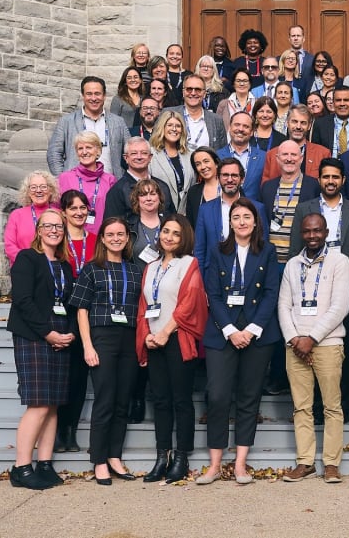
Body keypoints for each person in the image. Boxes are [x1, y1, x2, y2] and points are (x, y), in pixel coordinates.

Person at [199, 198, 281, 485]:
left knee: (249, 398)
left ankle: (241, 464)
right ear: (230, 222)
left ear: (256, 221)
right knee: (219, 397)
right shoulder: (217, 251)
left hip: (258, 336)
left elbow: (271, 292)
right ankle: (214, 465)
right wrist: (232, 330)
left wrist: (252, 329)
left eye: (247, 216)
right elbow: (213, 294)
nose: (242, 221)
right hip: (223, 334)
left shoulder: (267, 251)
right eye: (237, 217)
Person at [288, 158, 349, 416]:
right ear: (319, 179)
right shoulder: (305, 209)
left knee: (343, 347)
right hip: (310, 288)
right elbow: (294, 248)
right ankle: (313, 405)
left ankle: (343, 404)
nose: (331, 181)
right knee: (311, 345)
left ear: (343, 180)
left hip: (347, 287)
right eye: (326, 177)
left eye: (336, 177)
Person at [279, 213, 349, 483]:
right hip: (295, 345)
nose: (312, 236)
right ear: (302, 233)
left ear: (326, 232)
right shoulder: (291, 266)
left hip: (328, 344)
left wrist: (312, 338)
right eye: (308, 231)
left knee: (332, 406)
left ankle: (331, 463)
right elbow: (283, 306)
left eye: (318, 231)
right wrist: (295, 339)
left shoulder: (340, 262)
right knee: (301, 407)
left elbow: (340, 306)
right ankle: (305, 461)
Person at [69, 217, 142, 484]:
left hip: (129, 338)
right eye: (110, 234)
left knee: (123, 400)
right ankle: (99, 460)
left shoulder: (135, 270)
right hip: (102, 337)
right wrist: (87, 345)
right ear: (102, 238)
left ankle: (114, 456)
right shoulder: (91, 269)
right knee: (105, 400)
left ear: (127, 238)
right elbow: (81, 310)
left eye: (120, 234)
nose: (115, 238)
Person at [135, 214, 207, 484]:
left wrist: (165, 332)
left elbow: (189, 303)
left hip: (177, 339)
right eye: (166, 231)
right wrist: (147, 337)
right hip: (154, 341)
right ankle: (161, 457)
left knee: (181, 401)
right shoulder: (150, 267)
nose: (168, 237)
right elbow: (144, 307)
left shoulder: (189, 264)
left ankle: (181, 457)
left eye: (175, 234)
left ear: (184, 238)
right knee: (161, 401)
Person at [7, 207, 75, 490]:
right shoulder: (27, 258)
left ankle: (45, 464)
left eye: (59, 227)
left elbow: (70, 302)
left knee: (53, 405)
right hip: (34, 336)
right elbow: (22, 300)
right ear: (38, 230)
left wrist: (68, 332)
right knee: (38, 404)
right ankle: (21, 467)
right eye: (48, 226)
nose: (54, 231)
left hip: (59, 337)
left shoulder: (65, 266)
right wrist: (48, 333)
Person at [54, 190, 96, 454]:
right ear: (64, 212)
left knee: (80, 377)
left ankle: (71, 431)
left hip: (88, 311)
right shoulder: (59, 241)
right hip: (62, 312)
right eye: (73, 208)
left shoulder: (96, 240)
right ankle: (59, 429)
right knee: (63, 375)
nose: (79, 212)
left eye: (83, 208)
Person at [47, 76, 129, 178]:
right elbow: (54, 153)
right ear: (83, 96)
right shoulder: (66, 122)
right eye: (89, 94)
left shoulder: (118, 122)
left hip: (111, 185)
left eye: (97, 94)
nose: (93, 98)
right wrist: (63, 179)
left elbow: (130, 151)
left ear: (104, 96)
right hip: (76, 187)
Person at [193, 157, 267, 265]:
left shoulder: (257, 208)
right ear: (218, 178)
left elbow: (263, 246)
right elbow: (199, 250)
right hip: (214, 275)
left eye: (234, 175)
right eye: (225, 175)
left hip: (248, 272)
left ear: (242, 179)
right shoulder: (205, 210)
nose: (229, 180)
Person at [260, 140, 321, 264]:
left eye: (293, 155)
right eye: (285, 154)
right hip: (270, 261)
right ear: (277, 158)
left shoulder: (313, 186)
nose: (289, 159)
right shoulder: (267, 187)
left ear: (301, 158)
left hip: (300, 259)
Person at [57, 131, 117, 235]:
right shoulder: (65, 178)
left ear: (98, 150)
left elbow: (114, 214)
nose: (84, 152)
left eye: (88, 147)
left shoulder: (110, 180)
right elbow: (57, 210)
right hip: (71, 238)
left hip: (101, 238)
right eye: (80, 148)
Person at [103, 136, 176, 220]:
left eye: (144, 153)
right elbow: (112, 227)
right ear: (126, 158)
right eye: (134, 153)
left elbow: (172, 220)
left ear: (150, 157)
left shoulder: (162, 187)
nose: (139, 157)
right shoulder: (117, 191)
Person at [261, 105, 330, 182]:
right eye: (294, 122)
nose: (298, 126)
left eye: (303, 123)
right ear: (287, 123)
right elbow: (265, 187)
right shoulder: (272, 155)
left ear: (309, 126)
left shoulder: (323, 154)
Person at [5, 171, 60, 264]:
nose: (38, 191)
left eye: (43, 187)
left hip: (53, 267)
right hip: (25, 267)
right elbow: (9, 246)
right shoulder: (17, 215)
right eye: (33, 187)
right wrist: (28, 261)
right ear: (28, 192)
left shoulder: (59, 214)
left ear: (51, 190)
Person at [144, 112, 193, 216]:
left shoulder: (190, 155)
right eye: (170, 125)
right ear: (162, 128)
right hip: (161, 215)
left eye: (178, 126)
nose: (174, 129)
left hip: (187, 216)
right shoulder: (151, 155)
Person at [163, 74, 227, 150]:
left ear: (204, 94)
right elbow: (156, 144)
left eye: (198, 89)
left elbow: (222, 153)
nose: (193, 93)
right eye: (189, 89)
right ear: (183, 92)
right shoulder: (167, 114)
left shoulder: (216, 120)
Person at [217, 111, 266, 201]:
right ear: (229, 128)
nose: (241, 129)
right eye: (237, 125)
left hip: (253, 211)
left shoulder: (264, 157)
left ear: (251, 132)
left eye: (246, 126)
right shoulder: (217, 156)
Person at [125, 179, 167, 269]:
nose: (148, 198)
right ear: (137, 199)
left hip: (165, 279)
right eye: (143, 195)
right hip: (136, 280)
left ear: (159, 197)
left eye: (152, 194)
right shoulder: (128, 226)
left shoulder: (169, 224)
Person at [311, 84, 349, 156]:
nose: (342, 104)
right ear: (333, 102)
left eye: (346, 100)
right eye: (338, 100)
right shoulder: (320, 124)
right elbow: (315, 154)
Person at [184, 146, 221, 227]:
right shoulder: (193, 192)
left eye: (206, 161)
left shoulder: (229, 186)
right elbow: (191, 224)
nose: (203, 167)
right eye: (198, 164)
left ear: (216, 163)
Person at [216, 67, 255, 133]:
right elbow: (217, 127)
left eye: (245, 81)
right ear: (233, 84)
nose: (242, 84)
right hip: (228, 142)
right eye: (238, 81)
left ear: (250, 84)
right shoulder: (223, 104)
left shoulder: (257, 103)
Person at [285, 24, 314, 98]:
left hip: (307, 98)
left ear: (303, 38)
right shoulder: (280, 59)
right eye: (293, 36)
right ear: (289, 39)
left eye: (298, 36)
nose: (296, 38)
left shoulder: (312, 59)